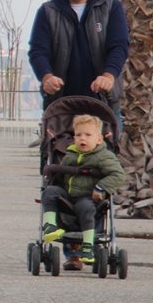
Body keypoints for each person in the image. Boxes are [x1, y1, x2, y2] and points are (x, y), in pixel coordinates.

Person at [28, 0, 130, 131]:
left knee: (105, 158)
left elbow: (119, 46)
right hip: (61, 107)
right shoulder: (47, 12)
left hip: (103, 105)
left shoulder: (110, 8)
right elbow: (38, 51)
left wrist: (108, 76)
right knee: (60, 158)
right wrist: (47, 77)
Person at [40, 114, 125, 270]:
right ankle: (50, 225)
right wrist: (53, 178)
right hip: (69, 197)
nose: (82, 138)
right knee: (49, 192)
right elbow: (60, 176)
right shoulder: (70, 154)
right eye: (78, 135)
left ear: (99, 139)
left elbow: (118, 175)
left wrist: (102, 188)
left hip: (90, 196)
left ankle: (87, 245)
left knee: (85, 207)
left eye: (87, 135)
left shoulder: (103, 157)